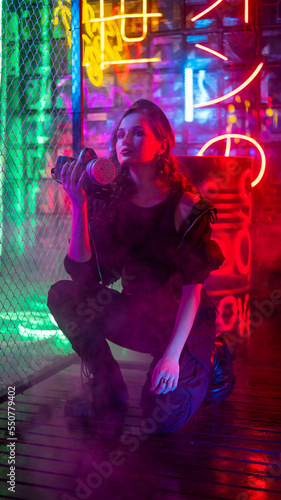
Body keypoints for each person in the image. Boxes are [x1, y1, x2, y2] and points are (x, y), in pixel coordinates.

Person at [47, 99, 228, 436]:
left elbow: (193, 288)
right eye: (120, 135)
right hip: (140, 314)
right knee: (64, 295)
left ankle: (214, 358)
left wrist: (172, 357)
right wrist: (79, 206)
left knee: (161, 419)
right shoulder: (112, 200)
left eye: (138, 133)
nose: (124, 141)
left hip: (183, 323)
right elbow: (86, 276)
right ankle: (107, 387)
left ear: (162, 145)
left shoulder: (184, 203)